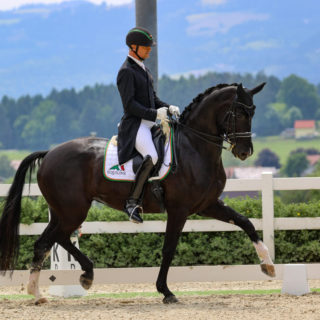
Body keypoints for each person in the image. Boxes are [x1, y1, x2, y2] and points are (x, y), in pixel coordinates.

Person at [117, 27, 180, 224]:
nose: (149, 50)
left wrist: (167, 107)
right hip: (135, 126)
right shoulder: (126, 72)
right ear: (133, 47)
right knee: (152, 156)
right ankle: (132, 202)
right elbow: (130, 105)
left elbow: (152, 99)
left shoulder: (143, 69)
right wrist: (154, 114)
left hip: (149, 123)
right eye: (145, 47)